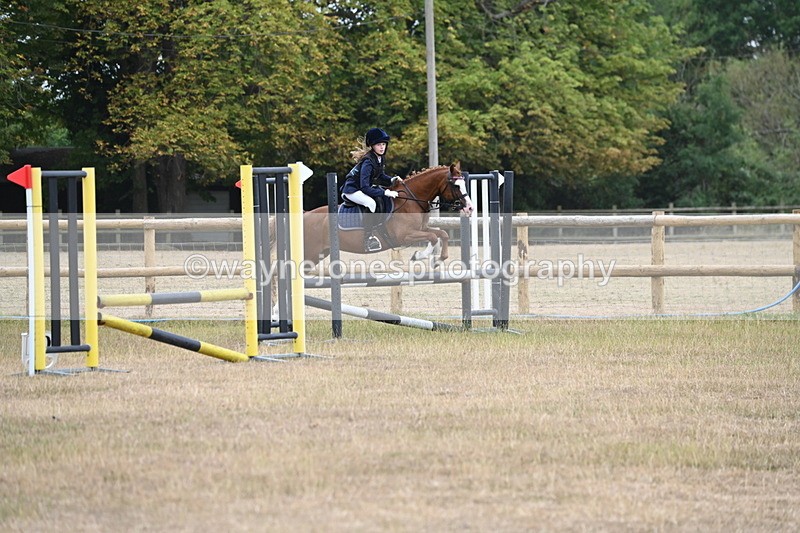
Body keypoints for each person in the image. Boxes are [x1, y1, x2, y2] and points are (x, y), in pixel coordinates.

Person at [342, 127, 401, 252]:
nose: (382, 147)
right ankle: (368, 238)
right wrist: (385, 192)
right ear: (372, 146)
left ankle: (379, 229)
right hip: (352, 189)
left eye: (384, 144)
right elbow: (364, 187)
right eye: (379, 144)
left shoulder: (379, 158)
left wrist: (392, 180)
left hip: (361, 187)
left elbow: (380, 176)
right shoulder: (368, 161)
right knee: (371, 203)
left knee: (380, 197)